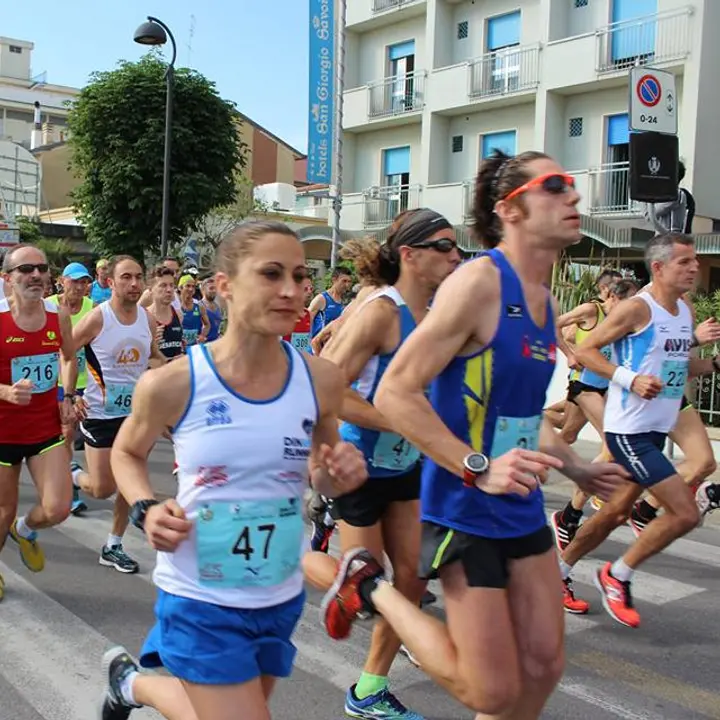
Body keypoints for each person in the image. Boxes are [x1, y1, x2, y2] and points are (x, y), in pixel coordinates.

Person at [318, 150, 628, 718]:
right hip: (461, 505)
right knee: (490, 689)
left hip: (518, 503)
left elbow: (521, 419)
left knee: (543, 666)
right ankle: (369, 587)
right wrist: (476, 466)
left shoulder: (544, 301)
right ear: (511, 209)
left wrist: (575, 466)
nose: (575, 195)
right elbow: (396, 392)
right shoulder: (479, 283)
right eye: (556, 185)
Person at [97, 221, 368, 720]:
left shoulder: (321, 379)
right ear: (224, 285)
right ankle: (131, 684)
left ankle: (130, 685)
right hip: (199, 594)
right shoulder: (173, 383)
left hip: (278, 592)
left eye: (299, 275)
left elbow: (322, 476)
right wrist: (145, 507)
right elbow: (127, 453)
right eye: (270, 273)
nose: (291, 290)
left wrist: (341, 474)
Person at [304, 209, 461, 719]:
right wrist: (401, 422)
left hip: (408, 468)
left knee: (414, 579)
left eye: (457, 247)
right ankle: (287, 556)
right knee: (372, 589)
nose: (456, 256)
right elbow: (329, 391)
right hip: (358, 463)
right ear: (411, 257)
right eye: (444, 246)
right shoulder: (382, 312)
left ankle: (369, 689)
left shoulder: (444, 313)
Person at [557, 233, 718, 629]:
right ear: (659, 268)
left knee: (613, 514)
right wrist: (629, 379)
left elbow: (680, 367)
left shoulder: (686, 311)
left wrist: (715, 365)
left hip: (660, 423)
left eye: (695, 260)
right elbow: (587, 351)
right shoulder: (635, 309)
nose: (694, 267)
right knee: (683, 512)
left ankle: (557, 570)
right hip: (629, 428)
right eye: (684, 261)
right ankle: (617, 574)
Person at [70, 255, 166, 574]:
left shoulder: (148, 320)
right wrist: (70, 395)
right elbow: (67, 352)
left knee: (129, 481)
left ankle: (113, 544)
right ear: (111, 282)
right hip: (99, 412)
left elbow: (153, 357)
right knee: (102, 488)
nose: (135, 284)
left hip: (135, 414)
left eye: (139, 277)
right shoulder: (99, 318)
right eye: (126, 277)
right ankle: (72, 474)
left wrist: (163, 368)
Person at [0, 244, 79, 600]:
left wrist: (67, 396)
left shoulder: (57, 315)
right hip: (3, 433)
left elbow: (68, 357)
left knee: (58, 508)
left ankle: (26, 530)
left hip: (45, 429)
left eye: (41, 268)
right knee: (2, 511)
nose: (35, 275)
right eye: (25, 269)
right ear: (8, 279)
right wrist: (5, 392)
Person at [48, 262, 95, 514]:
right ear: (62, 281)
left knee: (67, 433)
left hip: (84, 384)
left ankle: (68, 484)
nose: (79, 286)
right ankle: (67, 483)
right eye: (74, 281)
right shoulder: (47, 306)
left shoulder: (91, 308)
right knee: (62, 434)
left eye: (84, 282)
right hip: (53, 382)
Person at [146, 266, 185, 362]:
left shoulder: (179, 315)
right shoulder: (144, 317)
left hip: (175, 373)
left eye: (171, 285)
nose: (169, 290)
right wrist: (150, 344)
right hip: (154, 373)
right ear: (150, 289)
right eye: (163, 285)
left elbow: (179, 346)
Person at [309, 266, 352, 340]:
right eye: (344, 281)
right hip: (318, 347)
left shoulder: (346, 301)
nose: (347, 285)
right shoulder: (321, 299)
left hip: (335, 347)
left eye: (349, 282)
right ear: (334, 280)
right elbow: (306, 323)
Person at [178, 275, 210, 348]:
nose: (191, 289)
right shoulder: (175, 307)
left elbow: (207, 325)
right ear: (180, 288)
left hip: (195, 347)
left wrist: (202, 336)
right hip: (179, 350)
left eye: (193, 286)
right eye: (188, 286)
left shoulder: (199, 306)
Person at [282, 277, 313, 352]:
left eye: (311, 289)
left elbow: (308, 340)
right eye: (305, 289)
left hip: (302, 357)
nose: (309, 292)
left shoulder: (308, 314)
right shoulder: (285, 312)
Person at [200, 276, 223, 342]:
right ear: (203, 290)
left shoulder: (218, 307)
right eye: (211, 288)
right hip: (203, 345)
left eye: (215, 288)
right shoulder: (199, 306)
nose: (214, 291)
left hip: (216, 345)